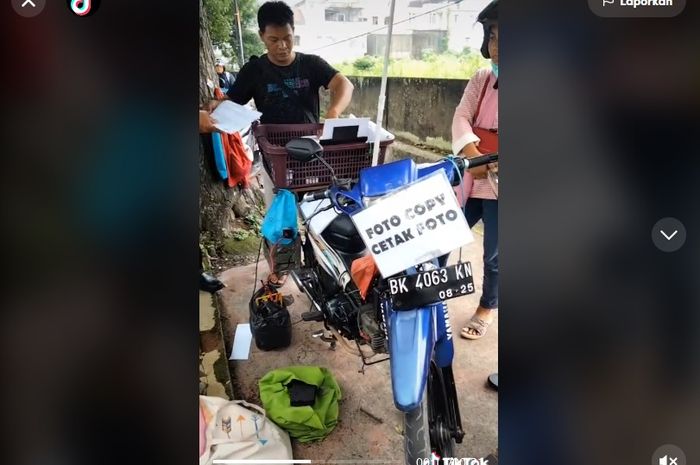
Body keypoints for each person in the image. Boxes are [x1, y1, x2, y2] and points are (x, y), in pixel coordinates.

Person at [451, 0, 499, 343]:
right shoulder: (482, 78)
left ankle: (487, 307)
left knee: (495, 254)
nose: (498, 44)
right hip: (471, 174)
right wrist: (471, 153)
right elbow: (461, 116)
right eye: (494, 35)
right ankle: (427, 293)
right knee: (442, 235)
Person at [223, 1, 354, 124]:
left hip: (310, 144)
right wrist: (216, 105)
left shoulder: (311, 64)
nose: (282, 45)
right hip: (272, 146)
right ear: (261, 35)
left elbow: (345, 84)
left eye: (287, 38)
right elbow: (229, 104)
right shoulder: (253, 70)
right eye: (274, 40)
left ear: (293, 31)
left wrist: (334, 111)